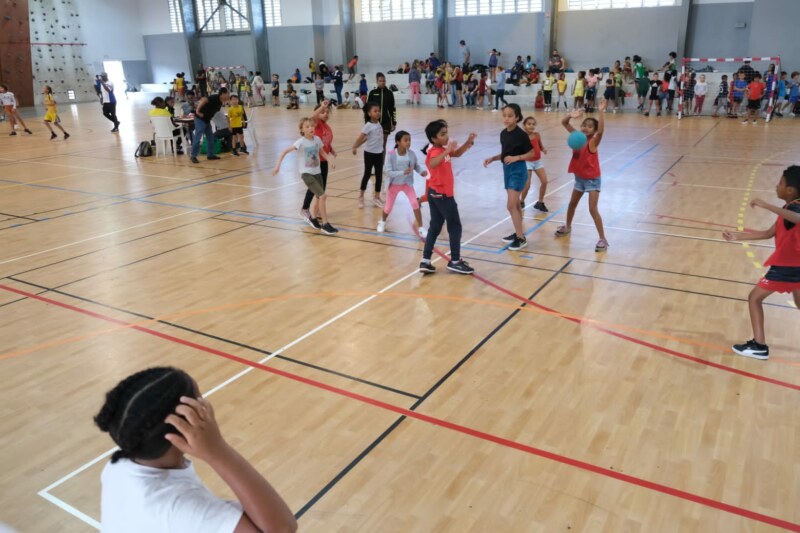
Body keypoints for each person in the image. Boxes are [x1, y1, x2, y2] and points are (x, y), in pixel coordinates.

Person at [94, 367, 297, 533]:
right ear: (183, 427)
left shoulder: (119, 466)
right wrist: (218, 451)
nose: (207, 404)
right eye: (200, 400)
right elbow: (282, 528)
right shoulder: (180, 509)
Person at [723, 166, 800, 360]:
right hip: (795, 266)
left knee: (754, 298)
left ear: (790, 190)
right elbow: (768, 233)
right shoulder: (787, 209)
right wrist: (737, 236)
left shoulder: (795, 207)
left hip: (787, 268)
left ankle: (759, 346)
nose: (777, 186)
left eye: (780, 183)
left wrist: (766, 205)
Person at [418, 120, 477, 275]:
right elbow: (432, 164)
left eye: (446, 133)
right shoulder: (434, 151)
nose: (446, 136)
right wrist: (446, 151)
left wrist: (467, 143)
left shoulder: (443, 149)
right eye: (442, 134)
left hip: (436, 194)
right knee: (455, 226)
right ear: (433, 138)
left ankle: (425, 260)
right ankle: (455, 261)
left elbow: (456, 153)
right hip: (442, 195)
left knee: (435, 226)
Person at [557, 99, 609, 252]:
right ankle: (567, 227)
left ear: (594, 130)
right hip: (579, 178)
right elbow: (564, 123)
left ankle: (602, 239)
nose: (586, 128)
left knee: (592, 209)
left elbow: (601, 131)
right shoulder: (577, 137)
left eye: (589, 126)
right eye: (584, 125)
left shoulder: (593, 142)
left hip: (592, 179)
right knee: (572, 204)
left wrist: (601, 111)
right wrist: (570, 116)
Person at [483, 103, 536, 251]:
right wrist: (493, 158)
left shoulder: (521, 135)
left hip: (518, 171)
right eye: (504, 115)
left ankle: (521, 238)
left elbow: (532, 154)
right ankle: (519, 233)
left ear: (517, 117)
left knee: (511, 205)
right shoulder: (503, 133)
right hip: (506, 170)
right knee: (517, 205)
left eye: (510, 116)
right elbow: (506, 154)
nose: (506, 118)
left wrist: (517, 158)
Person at [274, 117, 339, 234]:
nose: (311, 128)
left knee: (319, 197)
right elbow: (284, 151)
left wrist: (330, 160)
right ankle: (325, 224)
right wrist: (277, 166)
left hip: (317, 172)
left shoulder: (317, 139)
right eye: (307, 126)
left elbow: (323, 152)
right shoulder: (301, 142)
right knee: (323, 196)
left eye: (312, 126)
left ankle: (313, 218)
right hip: (307, 174)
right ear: (302, 130)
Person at [378, 130, 428, 237]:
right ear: (398, 142)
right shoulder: (391, 154)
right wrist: (402, 172)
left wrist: (421, 171)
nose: (408, 142)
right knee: (388, 208)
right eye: (406, 140)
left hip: (407, 184)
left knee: (415, 204)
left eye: (409, 140)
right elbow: (387, 172)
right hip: (394, 185)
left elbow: (416, 166)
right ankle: (382, 222)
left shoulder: (411, 154)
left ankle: (421, 228)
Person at [300, 100, 335, 228]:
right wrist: (322, 106)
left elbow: (326, 142)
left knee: (321, 189)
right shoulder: (317, 124)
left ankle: (316, 212)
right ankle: (306, 209)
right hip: (315, 161)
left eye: (327, 112)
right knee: (315, 188)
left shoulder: (327, 127)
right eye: (323, 112)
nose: (325, 114)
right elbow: (313, 116)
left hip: (324, 161)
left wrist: (331, 150)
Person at [352, 103, 385, 208]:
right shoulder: (368, 126)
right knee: (367, 174)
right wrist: (355, 146)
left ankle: (377, 197)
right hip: (369, 154)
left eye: (378, 110)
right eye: (375, 111)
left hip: (379, 153)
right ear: (369, 113)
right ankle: (361, 196)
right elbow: (361, 138)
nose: (378, 112)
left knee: (379, 175)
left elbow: (369, 138)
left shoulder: (379, 124)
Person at [190, 87, 229, 164]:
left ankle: (210, 155)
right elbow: (203, 100)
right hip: (200, 120)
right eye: (227, 94)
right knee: (198, 138)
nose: (228, 95)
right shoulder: (215, 97)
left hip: (207, 121)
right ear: (223, 94)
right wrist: (197, 111)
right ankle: (193, 156)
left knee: (210, 138)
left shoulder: (221, 102)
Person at [520, 116, 548, 212]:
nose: (531, 126)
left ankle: (540, 202)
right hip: (527, 162)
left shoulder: (537, 135)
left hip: (537, 161)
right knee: (527, 185)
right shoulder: (522, 137)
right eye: (529, 124)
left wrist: (543, 149)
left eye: (533, 124)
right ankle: (521, 201)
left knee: (544, 181)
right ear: (524, 125)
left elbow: (539, 145)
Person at [366, 72, 397, 160]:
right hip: (374, 123)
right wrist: (367, 122)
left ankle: (381, 165)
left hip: (386, 122)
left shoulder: (389, 93)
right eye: (380, 81)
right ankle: (374, 164)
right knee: (374, 144)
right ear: (377, 82)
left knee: (383, 144)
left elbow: (392, 109)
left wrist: (393, 122)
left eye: (384, 81)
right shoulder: (372, 93)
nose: (382, 82)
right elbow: (367, 109)